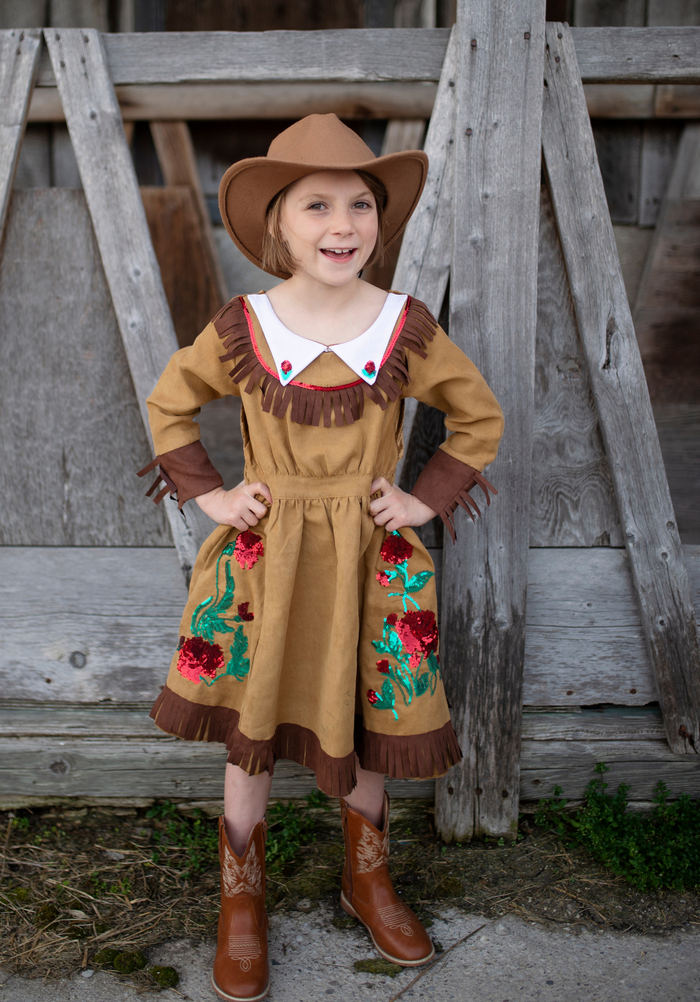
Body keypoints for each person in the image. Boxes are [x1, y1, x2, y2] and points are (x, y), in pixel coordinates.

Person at [139, 113, 504, 1002]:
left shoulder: (402, 326)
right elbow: (169, 403)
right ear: (279, 226)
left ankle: (367, 875)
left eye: (360, 205)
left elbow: (477, 414)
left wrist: (422, 498)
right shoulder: (246, 324)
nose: (342, 225)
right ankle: (240, 899)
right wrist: (216, 496)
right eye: (317, 205)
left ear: (381, 224)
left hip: (372, 558)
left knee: (369, 707)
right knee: (251, 725)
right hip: (268, 559)